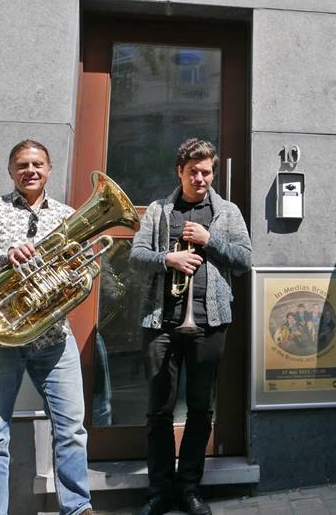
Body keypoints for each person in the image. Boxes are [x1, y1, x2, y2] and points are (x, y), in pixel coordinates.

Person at [0, 140, 93, 515]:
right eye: (23, 165)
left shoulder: (67, 216)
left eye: (38, 164)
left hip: (53, 339)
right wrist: (4, 256)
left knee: (72, 430)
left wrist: (72, 273)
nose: (31, 170)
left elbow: (83, 269)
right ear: (11, 171)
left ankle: (78, 508)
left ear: (49, 169)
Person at [130, 139, 252, 515]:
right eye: (193, 171)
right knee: (159, 410)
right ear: (179, 172)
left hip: (208, 322)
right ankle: (159, 490)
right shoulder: (159, 210)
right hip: (162, 323)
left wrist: (208, 240)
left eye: (206, 172)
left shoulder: (227, 212)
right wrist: (169, 259)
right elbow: (136, 256)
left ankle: (189, 488)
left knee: (200, 409)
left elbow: (244, 259)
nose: (200, 178)